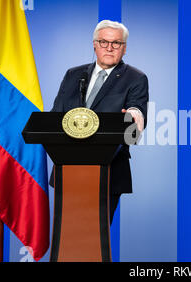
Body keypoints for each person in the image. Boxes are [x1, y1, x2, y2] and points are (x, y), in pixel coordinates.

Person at [51, 19, 149, 223]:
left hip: (109, 171)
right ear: (94, 44)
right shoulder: (73, 74)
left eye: (116, 43)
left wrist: (133, 117)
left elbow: (136, 111)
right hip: (68, 170)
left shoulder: (135, 78)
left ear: (124, 48)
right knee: (68, 236)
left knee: (94, 236)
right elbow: (56, 116)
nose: (110, 48)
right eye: (104, 42)